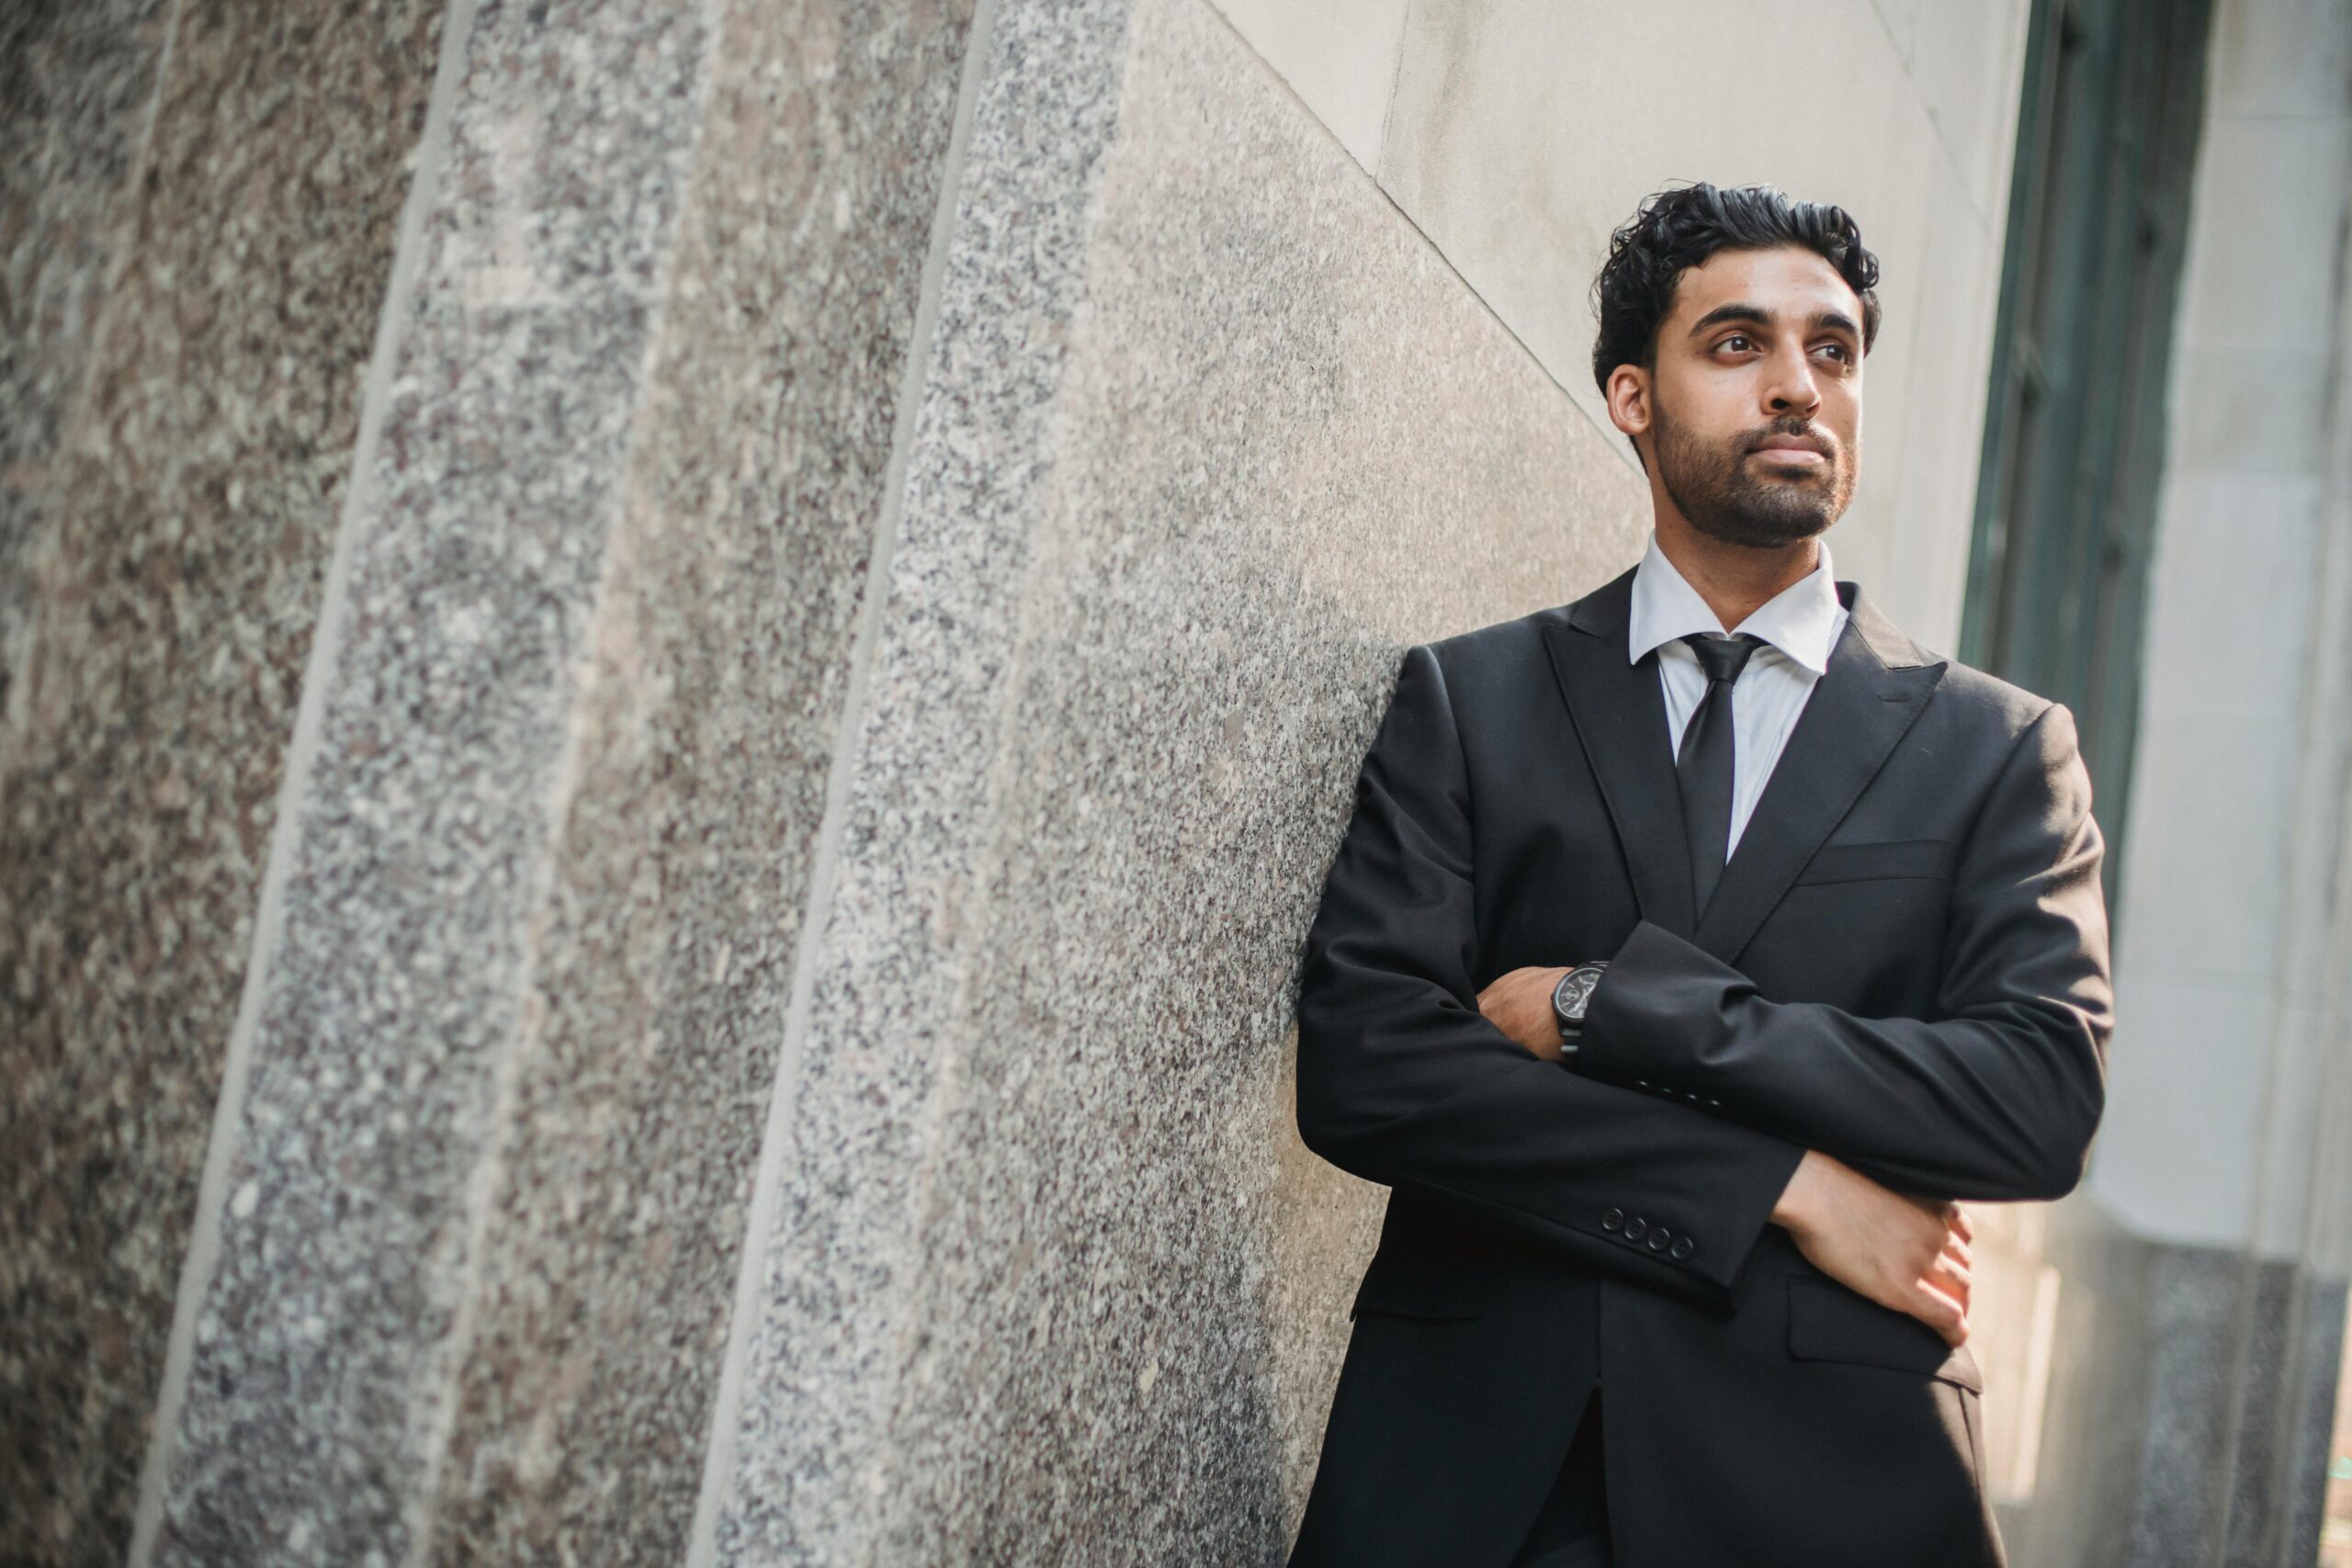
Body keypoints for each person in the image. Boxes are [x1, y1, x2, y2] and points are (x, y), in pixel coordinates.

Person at [1283, 182, 2113, 1568]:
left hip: (1833, 1487)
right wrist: (1784, 1182)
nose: (1798, 386)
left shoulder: (1999, 748)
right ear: (1631, 396)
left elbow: (2034, 1099)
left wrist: (1614, 1009)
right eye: (1738, 346)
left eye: (1832, 351)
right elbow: (1371, 1070)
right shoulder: (1473, 699)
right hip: (1476, 1474)